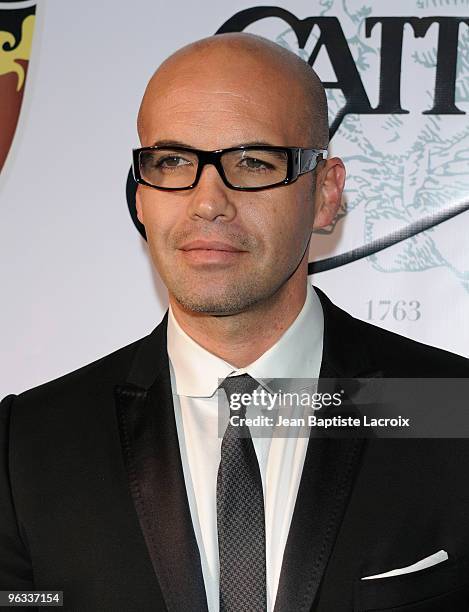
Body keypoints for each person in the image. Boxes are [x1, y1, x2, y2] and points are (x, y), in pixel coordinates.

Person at [1, 32, 469, 612]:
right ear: (141, 197)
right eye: (171, 162)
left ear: (325, 193)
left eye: (252, 162)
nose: (208, 200)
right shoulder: (28, 445)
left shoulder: (452, 410)